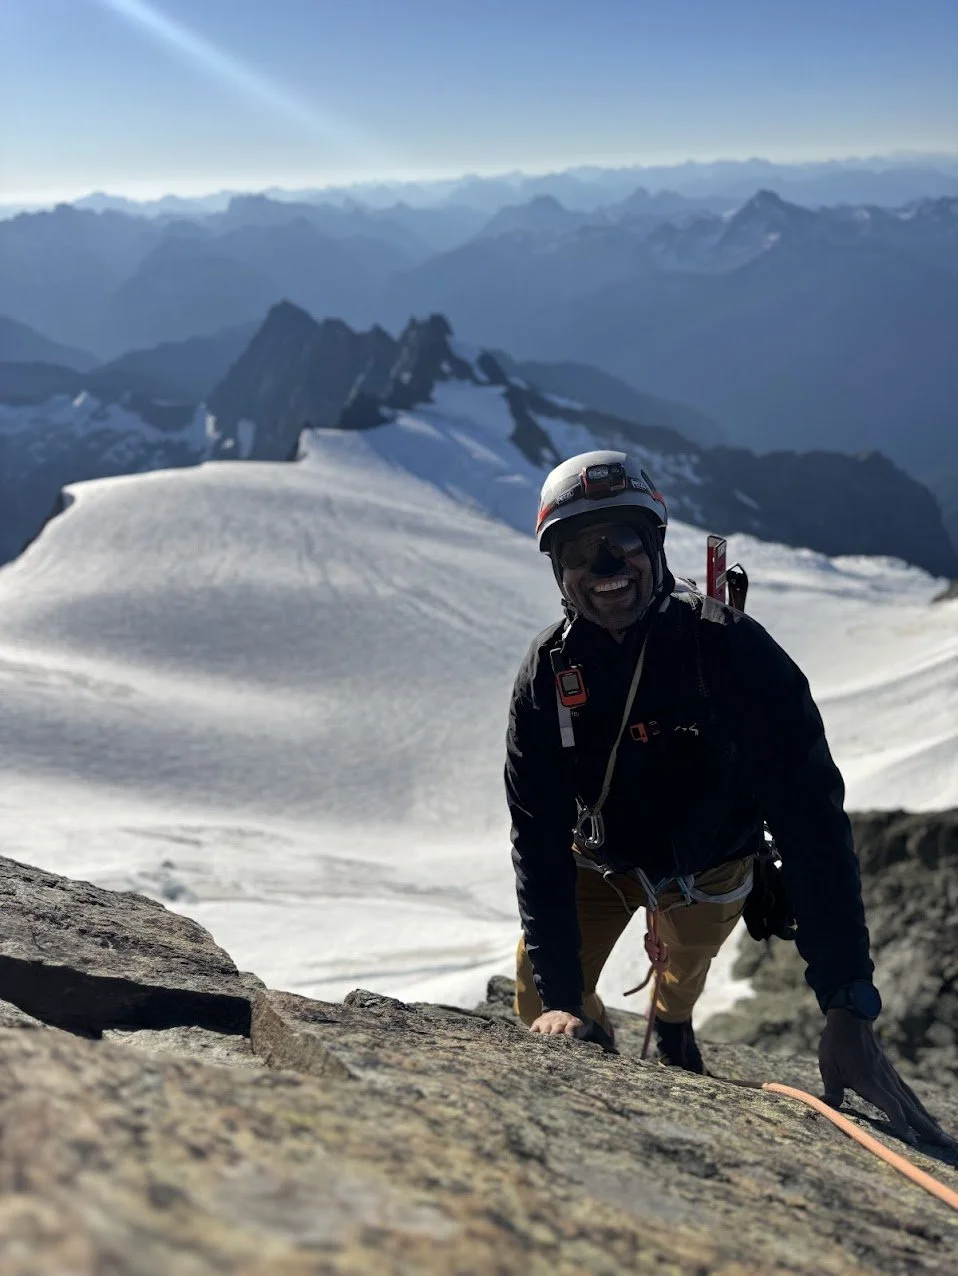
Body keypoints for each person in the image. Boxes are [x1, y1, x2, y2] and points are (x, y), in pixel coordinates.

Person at [505, 449, 952, 1147]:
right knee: (539, 993)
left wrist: (847, 1006)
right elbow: (536, 837)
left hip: (711, 865)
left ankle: (673, 1023)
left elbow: (811, 826)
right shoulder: (548, 676)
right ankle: (596, 1040)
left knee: (683, 975)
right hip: (599, 860)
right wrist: (563, 1001)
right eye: (580, 551)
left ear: (654, 544)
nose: (606, 568)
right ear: (558, 571)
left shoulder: (734, 654)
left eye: (622, 540)